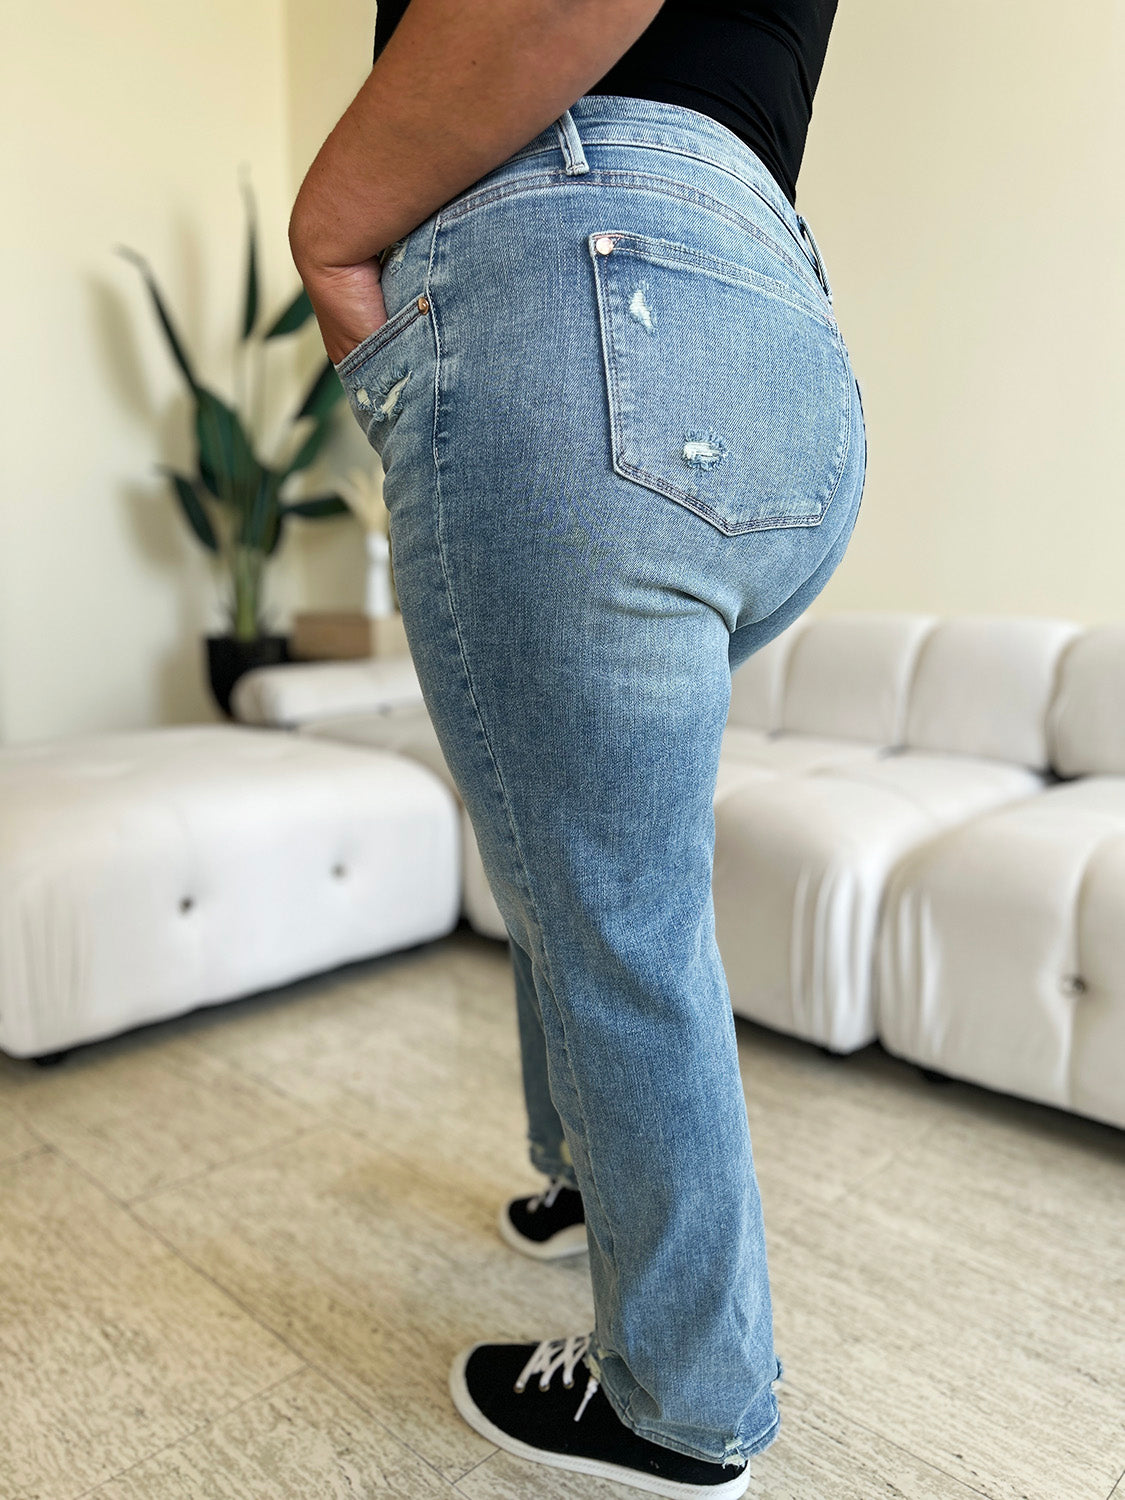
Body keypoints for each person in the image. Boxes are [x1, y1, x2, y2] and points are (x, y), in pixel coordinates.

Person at [289, 2, 861, 1494]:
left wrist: (329, 228)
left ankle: (681, 1403)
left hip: (583, 294)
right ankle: (587, 1181)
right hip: (769, 332)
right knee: (576, 850)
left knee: (611, 903)